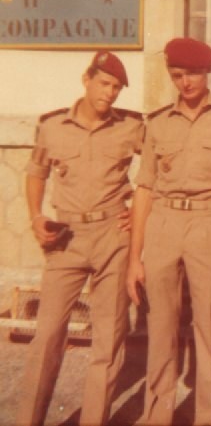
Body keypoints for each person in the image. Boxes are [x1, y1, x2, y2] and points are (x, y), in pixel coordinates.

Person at [126, 37, 211, 426]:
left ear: (207, 72)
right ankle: (157, 418)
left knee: (210, 333)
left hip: (208, 224)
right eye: (177, 75)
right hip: (163, 225)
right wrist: (135, 257)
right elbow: (145, 188)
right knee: (160, 332)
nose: (186, 83)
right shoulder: (158, 122)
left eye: (193, 74)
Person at [16, 51, 143, 426]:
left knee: (108, 340)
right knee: (47, 337)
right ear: (86, 79)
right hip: (66, 238)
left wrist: (137, 208)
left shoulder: (132, 127)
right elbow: (36, 172)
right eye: (105, 84)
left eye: (117, 88)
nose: (110, 94)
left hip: (112, 237)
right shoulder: (53, 126)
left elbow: (156, 171)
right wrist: (37, 215)